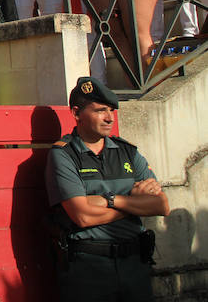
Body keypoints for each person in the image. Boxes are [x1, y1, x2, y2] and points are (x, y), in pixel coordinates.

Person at [45, 77, 168, 302]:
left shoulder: (127, 151)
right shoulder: (64, 154)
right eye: (100, 110)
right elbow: (82, 215)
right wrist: (134, 204)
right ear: (76, 113)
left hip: (134, 264)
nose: (109, 117)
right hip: (89, 268)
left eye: (111, 110)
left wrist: (109, 200)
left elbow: (162, 205)